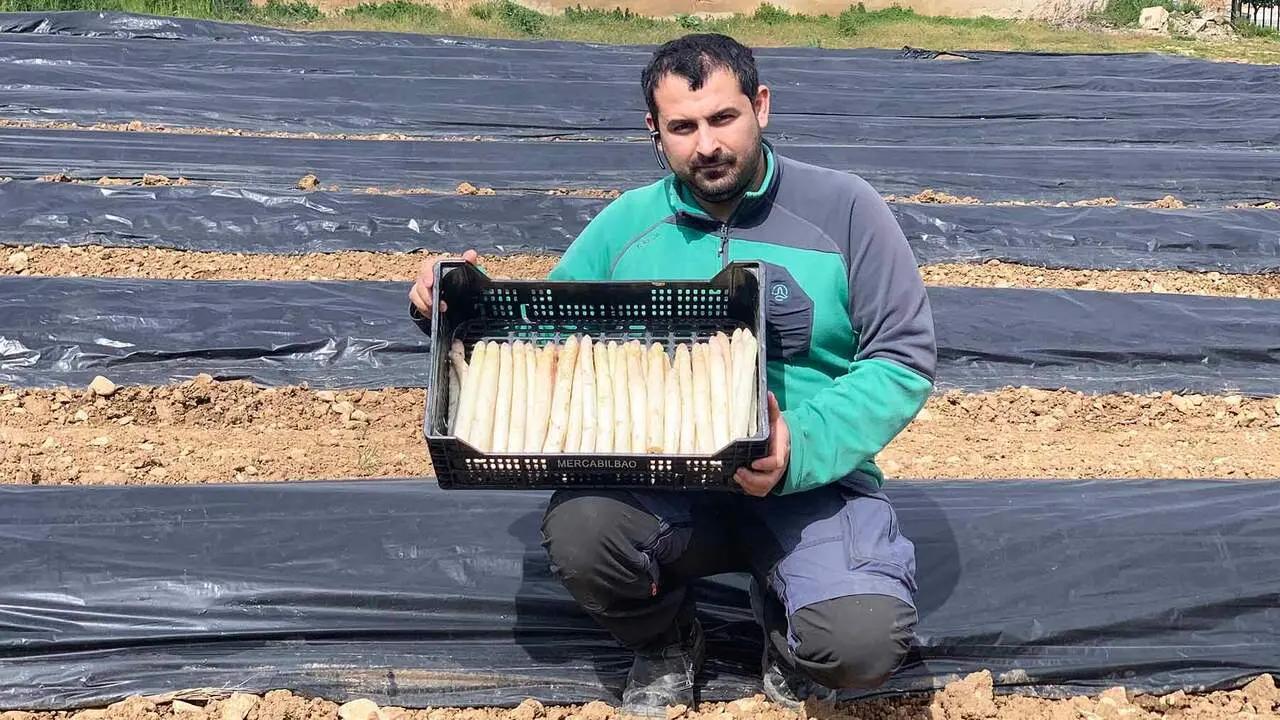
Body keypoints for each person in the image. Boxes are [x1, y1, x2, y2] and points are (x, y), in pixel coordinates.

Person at [408, 33, 935, 718]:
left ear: (761, 106)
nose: (706, 145)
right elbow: (540, 335)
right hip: (665, 485)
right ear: (654, 132)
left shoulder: (846, 209)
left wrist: (796, 447)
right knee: (583, 534)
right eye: (682, 128)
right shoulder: (626, 224)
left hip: (809, 483)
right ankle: (666, 636)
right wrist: (447, 307)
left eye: (723, 119)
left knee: (859, 643)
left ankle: (787, 625)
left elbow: (902, 358)